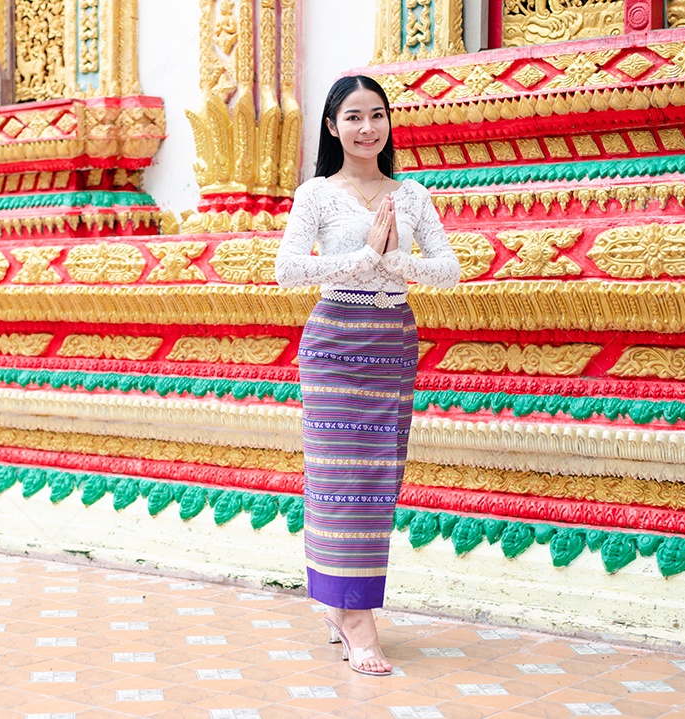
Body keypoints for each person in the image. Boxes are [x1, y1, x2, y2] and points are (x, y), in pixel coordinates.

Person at [275, 75, 460, 676]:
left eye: (376, 115)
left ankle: (340, 602)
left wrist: (391, 259)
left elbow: (449, 272)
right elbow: (287, 272)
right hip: (333, 341)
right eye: (353, 117)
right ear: (333, 127)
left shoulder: (411, 195)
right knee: (336, 478)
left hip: (391, 340)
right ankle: (355, 618)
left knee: (377, 482)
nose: (366, 127)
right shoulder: (316, 195)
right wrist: (362, 260)